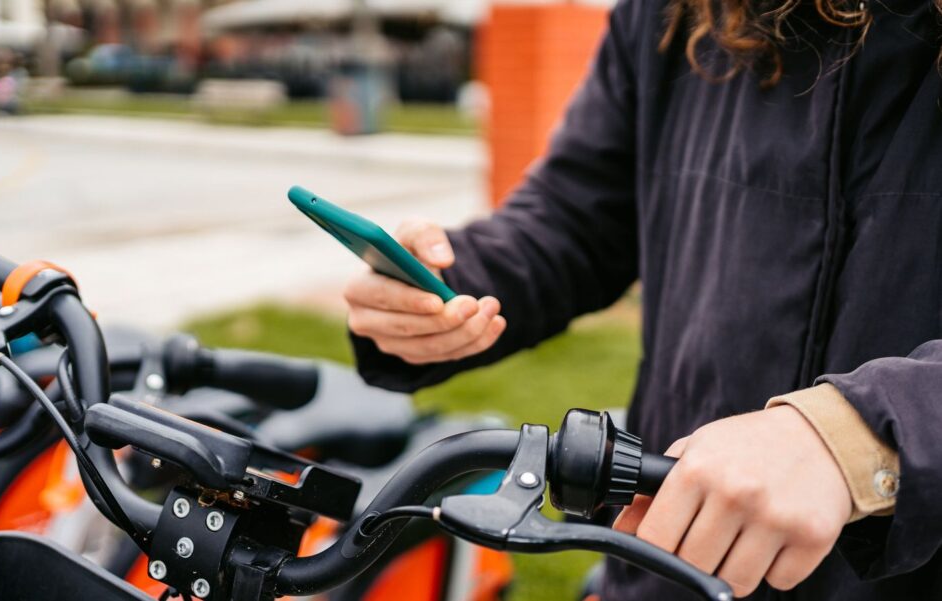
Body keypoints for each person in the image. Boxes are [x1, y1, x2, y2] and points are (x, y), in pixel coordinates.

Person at [343, 0, 941, 599]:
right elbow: (575, 217)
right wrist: (446, 285)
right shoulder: (671, 12)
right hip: (664, 559)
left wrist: (856, 436)